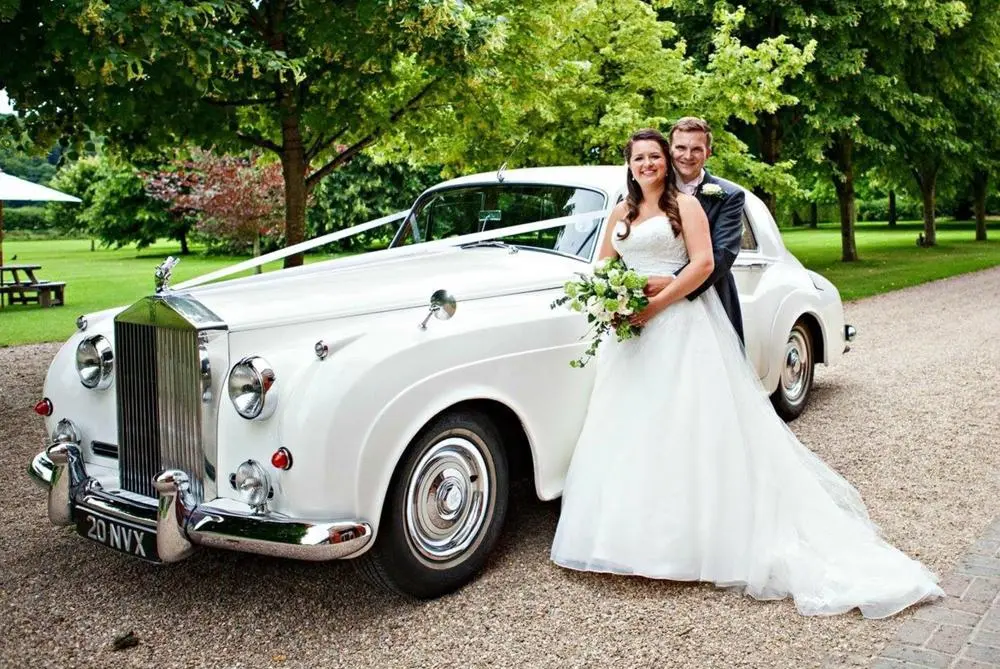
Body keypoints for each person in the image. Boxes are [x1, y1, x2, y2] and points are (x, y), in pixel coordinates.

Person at [549, 127, 944, 619]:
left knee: (687, 426)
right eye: (640, 157)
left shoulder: (686, 207)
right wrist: (612, 299)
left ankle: (693, 542)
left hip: (677, 325)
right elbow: (603, 267)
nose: (648, 163)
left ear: (666, 163)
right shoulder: (620, 213)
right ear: (628, 164)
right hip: (630, 337)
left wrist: (653, 306)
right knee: (632, 428)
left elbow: (704, 264)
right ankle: (627, 539)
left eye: (655, 156)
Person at [644, 117, 746, 344]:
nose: (687, 156)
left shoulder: (729, 196)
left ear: (708, 153)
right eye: (680, 147)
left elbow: (723, 254)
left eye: (696, 149)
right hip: (648, 292)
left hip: (708, 296)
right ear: (669, 149)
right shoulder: (647, 187)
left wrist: (672, 282)